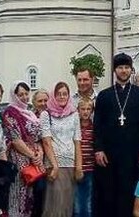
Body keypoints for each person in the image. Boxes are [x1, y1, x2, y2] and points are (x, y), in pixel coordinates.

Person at [93, 53, 139, 217]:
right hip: (110, 154)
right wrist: (98, 149)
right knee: (110, 192)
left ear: (131, 70)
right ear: (115, 70)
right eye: (120, 67)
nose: (124, 71)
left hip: (135, 153)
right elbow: (97, 125)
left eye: (127, 67)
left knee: (133, 189)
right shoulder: (104, 96)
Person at [2, 82, 45, 217]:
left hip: (34, 160)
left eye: (26, 94)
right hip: (19, 161)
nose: (24, 97)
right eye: (21, 94)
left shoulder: (29, 113)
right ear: (14, 95)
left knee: (32, 198)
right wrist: (33, 155)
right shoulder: (10, 112)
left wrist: (39, 154)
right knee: (19, 196)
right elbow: (15, 139)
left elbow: (38, 137)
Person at [41, 82, 82, 217]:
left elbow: (77, 141)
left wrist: (79, 166)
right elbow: (46, 141)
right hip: (54, 164)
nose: (62, 97)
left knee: (66, 204)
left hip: (70, 163)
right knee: (54, 203)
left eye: (65, 94)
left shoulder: (74, 114)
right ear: (53, 96)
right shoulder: (46, 114)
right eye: (58, 94)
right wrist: (55, 166)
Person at [74, 98, 95, 217]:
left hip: (90, 168)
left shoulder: (94, 127)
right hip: (77, 168)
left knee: (87, 201)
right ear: (78, 110)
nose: (85, 112)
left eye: (88, 109)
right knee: (76, 201)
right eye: (83, 109)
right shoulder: (75, 127)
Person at [31, 89, 50, 217]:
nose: (43, 103)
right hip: (35, 162)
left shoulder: (52, 116)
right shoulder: (30, 118)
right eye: (40, 101)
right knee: (38, 193)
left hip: (51, 160)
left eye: (45, 100)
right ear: (34, 102)